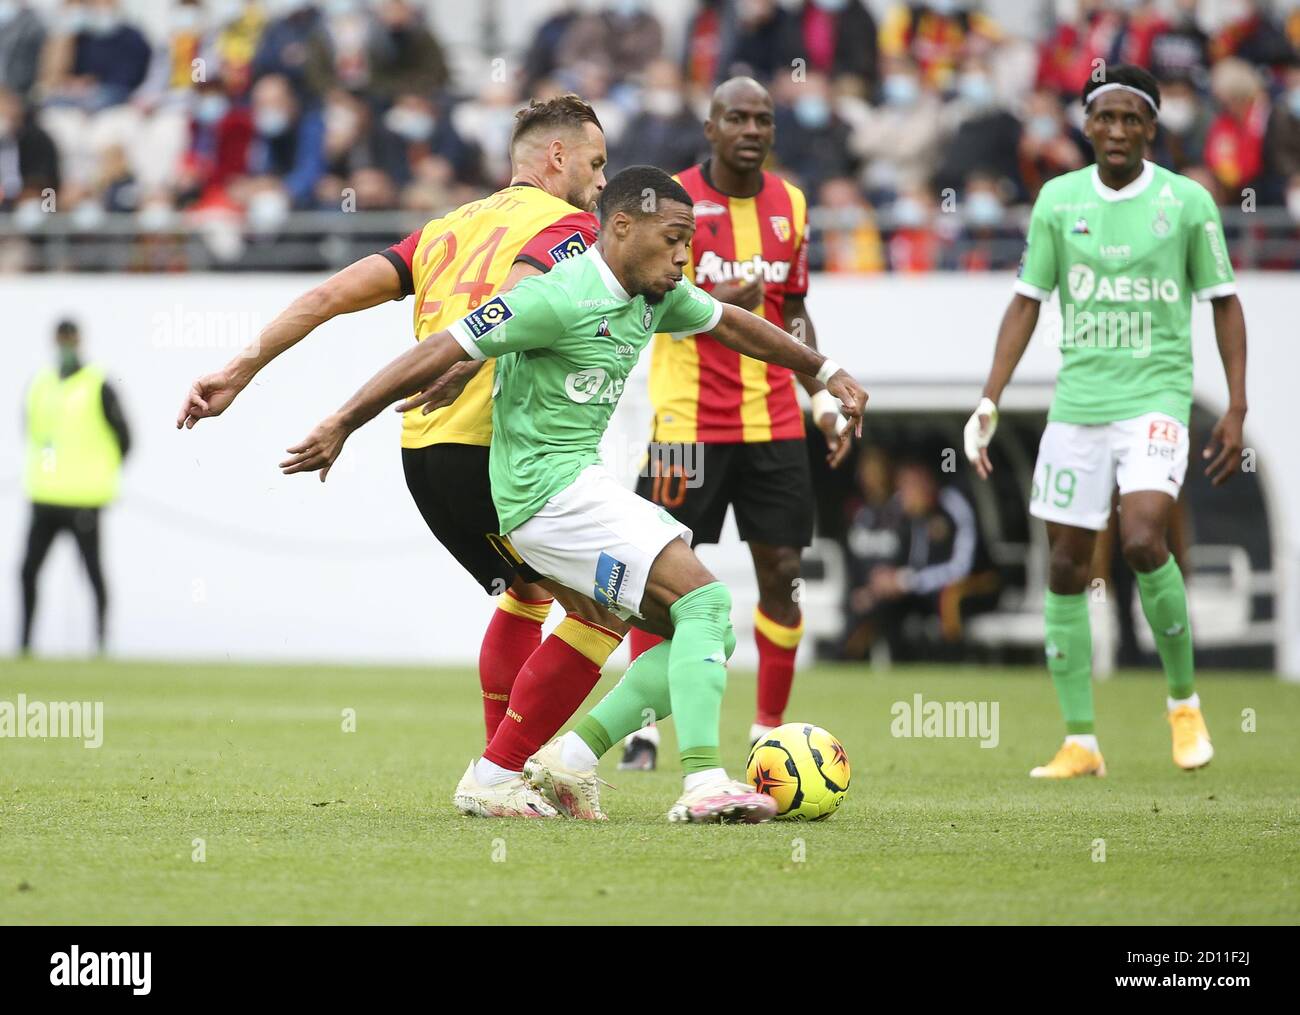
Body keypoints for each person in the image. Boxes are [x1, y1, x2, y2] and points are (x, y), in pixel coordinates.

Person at [279, 165, 867, 824]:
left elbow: (731, 323)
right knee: (704, 599)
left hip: (567, 492)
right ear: (622, 227)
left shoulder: (655, 295)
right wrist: (343, 422)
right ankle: (704, 782)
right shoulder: (557, 296)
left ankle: (530, 768)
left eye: (689, 242)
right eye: (673, 239)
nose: (684, 256)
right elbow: (445, 342)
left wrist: (825, 370)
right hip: (547, 493)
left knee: (693, 631)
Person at [178, 94, 632, 820]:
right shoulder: (572, 228)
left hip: (423, 454)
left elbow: (328, 295)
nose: (603, 180)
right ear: (558, 157)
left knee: (527, 594)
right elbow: (513, 305)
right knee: (608, 605)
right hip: (497, 454)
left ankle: (507, 774)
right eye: (597, 162)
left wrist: (239, 369)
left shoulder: (447, 228)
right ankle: (503, 770)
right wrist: (467, 360)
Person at [964, 65, 1248, 778]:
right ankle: (1081, 741)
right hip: (1078, 404)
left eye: (1131, 118)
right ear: (1087, 125)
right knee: (1065, 565)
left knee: (1144, 536)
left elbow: (1224, 301)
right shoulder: (1059, 200)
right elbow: (1026, 301)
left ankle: (1184, 706)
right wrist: (990, 397)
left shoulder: (1186, 202)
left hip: (1155, 397)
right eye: (1105, 117)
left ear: (1151, 127)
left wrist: (1237, 405)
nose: (1117, 130)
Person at [618, 77, 853, 772]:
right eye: (737, 118)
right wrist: (719, 297)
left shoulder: (793, 204)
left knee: (782, 571)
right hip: (684, 426)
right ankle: (644, 731)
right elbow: (646, 300)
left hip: (773, 422)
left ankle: (767, 731)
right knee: (654, 575)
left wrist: (822, 398)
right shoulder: (670, 202)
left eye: (763, 119)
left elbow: (794, 310)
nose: (752, 130)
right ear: (711, 127)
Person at [20, 320, 130, 655]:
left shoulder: (97, 384)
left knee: (93, 573)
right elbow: (32, 432)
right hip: (45, 496)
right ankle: (25, 645)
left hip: (84, 497)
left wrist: (100, 471)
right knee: (28, 572)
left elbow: (125, 437)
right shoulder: (40, 384)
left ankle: (101, 644)